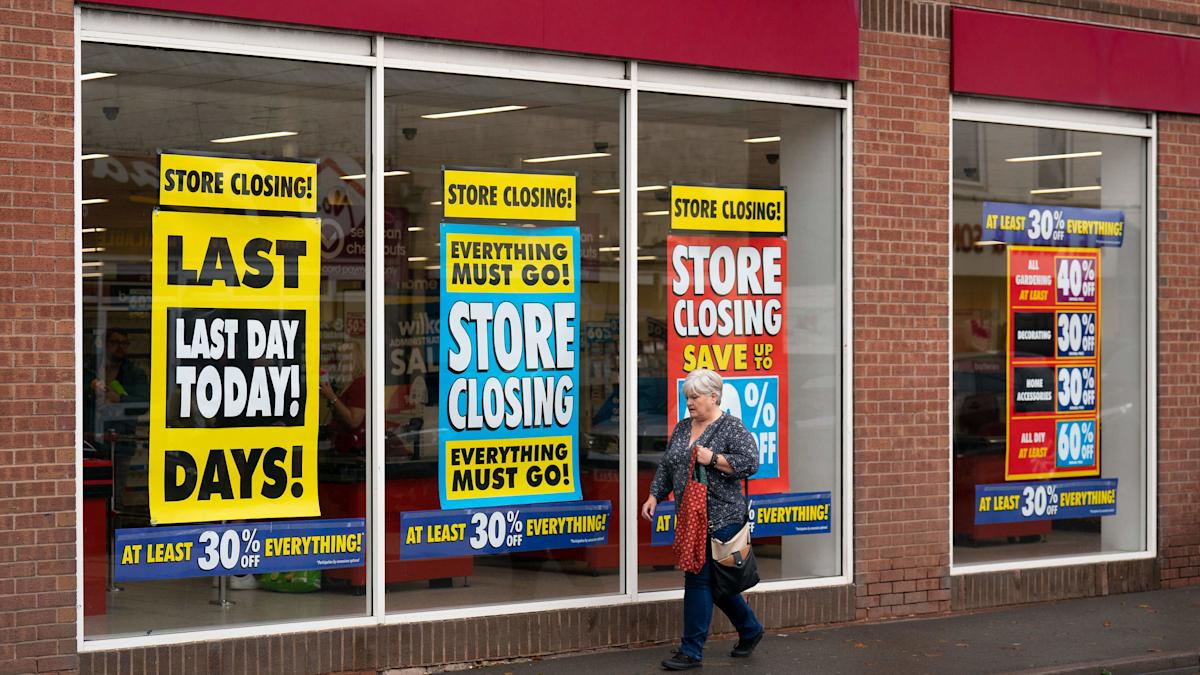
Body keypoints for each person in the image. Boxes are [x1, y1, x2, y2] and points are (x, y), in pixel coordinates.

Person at [642, 368, 764, 670]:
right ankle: (750, 629)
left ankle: (691, 651)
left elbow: (751, 462)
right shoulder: (683, 428)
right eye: (687, 397)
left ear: (714, 397)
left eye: (695, 397)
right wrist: (655, 495)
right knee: (717, 584)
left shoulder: (731, 427)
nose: (690, 403)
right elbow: (668, 465)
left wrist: (715, 459)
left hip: (722, 517)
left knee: (698, 579)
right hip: (691, 518)